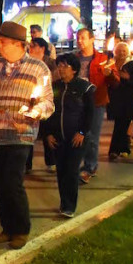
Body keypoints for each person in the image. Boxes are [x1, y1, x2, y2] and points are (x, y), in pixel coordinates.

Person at [0, 21, 54, 250]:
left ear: (18, 45)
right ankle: (6, 227)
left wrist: (37, 112)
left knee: (12, 184)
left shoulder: (38, 69)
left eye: (2, 42)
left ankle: (20, 229)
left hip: (20, 136)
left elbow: (48, 101)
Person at [45, 54, 95, 218]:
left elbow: (89, 114)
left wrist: (81, 132)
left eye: (64, 66)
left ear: (73, 69)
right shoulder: (55, 87)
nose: (60, 69)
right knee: (61, 170)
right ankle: (63, 202)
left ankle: (69, 206)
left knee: (71, 170)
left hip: (77, 138)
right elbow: (48, 112)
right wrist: (48, 134)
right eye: (59, 65)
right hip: (58, 137)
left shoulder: (84, 88)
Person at [75, 28, 109, 184]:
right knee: (76, 134)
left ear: (92, 39)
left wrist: (110, 74)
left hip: (95, 102)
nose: (80, 41)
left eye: (83, 38)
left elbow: (113, 81)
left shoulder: (102, 58)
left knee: (91, 136)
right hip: (77, 103)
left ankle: (90, 166)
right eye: (78, 38)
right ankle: (76, 164)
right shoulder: (74, 58)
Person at [103, 41, 133, 160]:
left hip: (128, 100)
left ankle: (115, 150)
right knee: (120, 124)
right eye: (119, 50)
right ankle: (124, 148)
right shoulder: (111, 64)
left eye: (124, 51)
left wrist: (128, 78)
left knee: (122, 124)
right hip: (115, 100)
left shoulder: (132, 66)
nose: (121, 53)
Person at [25, 37, 57, 173]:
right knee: (28, 132)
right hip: (29, 101)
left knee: (47, 132)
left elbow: (55, 82)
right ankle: (27, 164)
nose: (30, 48)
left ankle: (51, 161)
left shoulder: (50, 64)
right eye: (30, 46)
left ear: (42, 48)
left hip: (45, 102)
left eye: (34, 46)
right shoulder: (27, 63)